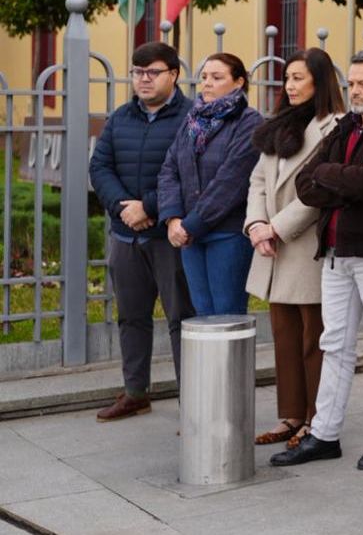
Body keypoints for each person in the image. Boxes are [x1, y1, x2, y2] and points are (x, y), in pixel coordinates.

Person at [271, 51, 363, 471]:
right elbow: (305, 183)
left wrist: (338, 175)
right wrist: (345, 175)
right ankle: (324, 433)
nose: (355, 92)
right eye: (351, 84)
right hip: (332, 252)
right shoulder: (346, 125)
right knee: (334, 345)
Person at [90, 41, 194, 422]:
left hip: (168, 236)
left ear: (173, 74)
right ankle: (135, 391)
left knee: (181, 319)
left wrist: (148, 208)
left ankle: (193, 400)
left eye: (152, 72)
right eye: (137, 72)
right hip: (125, 235)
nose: (143, 80)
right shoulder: (121, 117)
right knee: (131, 317)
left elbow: (189, 174)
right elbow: (100, 168)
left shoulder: (190, 117)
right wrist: (124, 208)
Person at [245, 48, 343, 448]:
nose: (290, 86)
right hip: (270, 247)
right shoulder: (280, 125)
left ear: (319, 82)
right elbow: (258, 181)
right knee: (284, 336)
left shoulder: (334, 126)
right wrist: (255, 225)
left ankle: (316, 422)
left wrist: (277, 228)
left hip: (305, 246)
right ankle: (290, 416)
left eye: (299, 78)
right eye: (288, 78)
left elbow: (320, 188)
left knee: (312, 338)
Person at [158, 52, 263, 317]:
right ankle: (208, 363)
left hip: (227, 234)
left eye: (217, 77)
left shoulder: (249, 121)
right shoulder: (194, 119)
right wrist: (172, 219)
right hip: (190, 236)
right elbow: (170, 168)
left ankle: (230, 362)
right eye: (205, 77)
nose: (207, 83)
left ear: (238, 82)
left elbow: (231, 181)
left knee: (227, 315)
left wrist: (190, 224)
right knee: (202, 314)